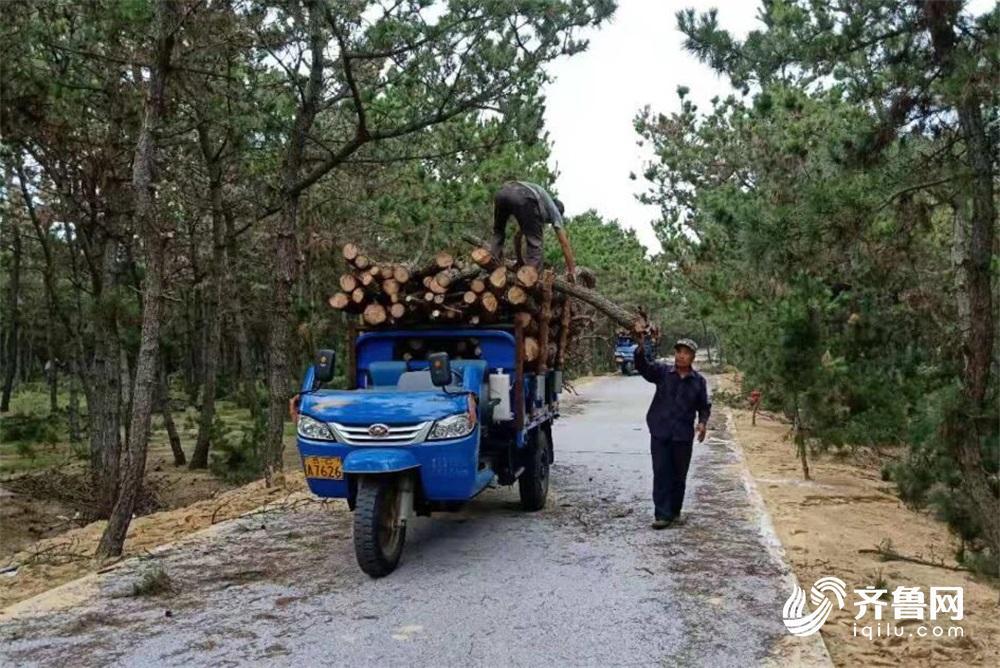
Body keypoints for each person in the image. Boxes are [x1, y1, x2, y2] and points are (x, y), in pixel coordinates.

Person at [633, 332, 711, 529]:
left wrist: (702, 423)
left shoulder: (698, 381)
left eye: (686, 353)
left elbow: (704, 406)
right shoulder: (662, 372)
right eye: (678, 352)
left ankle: (675, 512)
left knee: (679, 475)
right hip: (660, 431)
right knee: (661, 472)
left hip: (683, 435)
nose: (681, 356)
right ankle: (662, 515)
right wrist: (640, 349)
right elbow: (644, 368)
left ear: (692, 357)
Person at [490, 181, 576, 277]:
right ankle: (530, 278)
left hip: (503, 192)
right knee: (535, 244)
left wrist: (519, 260)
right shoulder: (555, 211)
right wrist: (572, 270)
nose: (547, 222)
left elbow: (517, 237)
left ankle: (491, 265)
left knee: (498, 232)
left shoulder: (540, 200)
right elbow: (564, 244)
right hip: (524, 197)